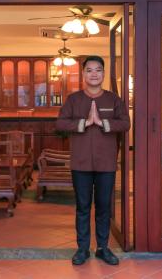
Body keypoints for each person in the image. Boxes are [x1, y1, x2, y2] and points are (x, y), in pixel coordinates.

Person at [56, 55, 130, 266]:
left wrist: (102, 122)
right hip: (80, 164)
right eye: (89, 70)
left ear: (103, 74)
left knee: (104, 206)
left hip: (106, 164)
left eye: (98, 70)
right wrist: (85, 123)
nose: (94, 74)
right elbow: (61, 123)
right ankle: (82, 249)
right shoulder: (73, 100)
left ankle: (102, 248)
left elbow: (125, 123)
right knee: (82, 206)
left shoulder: (114, 100)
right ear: (84, 74)